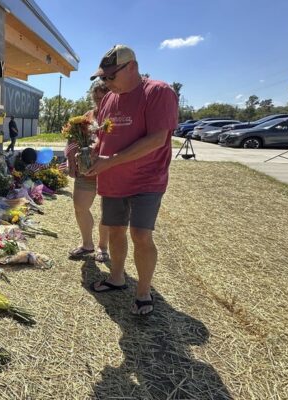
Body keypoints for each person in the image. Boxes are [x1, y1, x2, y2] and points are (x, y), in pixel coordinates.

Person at [85, 44, 178, 316]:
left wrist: (110, 160)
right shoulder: (108, 100)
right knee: (115, 230)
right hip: (113, 179)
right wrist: (92, 152)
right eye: (103, 77)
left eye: (111, 76)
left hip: (146, 179)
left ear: (133, 67)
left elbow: (157, 139)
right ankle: (117, 278)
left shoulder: (158, 92)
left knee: (141, 234)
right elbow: (102, 137)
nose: (106, 82)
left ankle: (143, 292)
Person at [65, 82, 110, 263]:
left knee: (108, 211)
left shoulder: (117, 116)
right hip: (86, 170)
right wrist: (71, 161)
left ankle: (103, 247)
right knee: (79, 206)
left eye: (103, 97)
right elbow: (73, 139)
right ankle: (87, 244)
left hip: (109, 170)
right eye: (96, 97)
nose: (99, 100)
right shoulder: (87, 117)